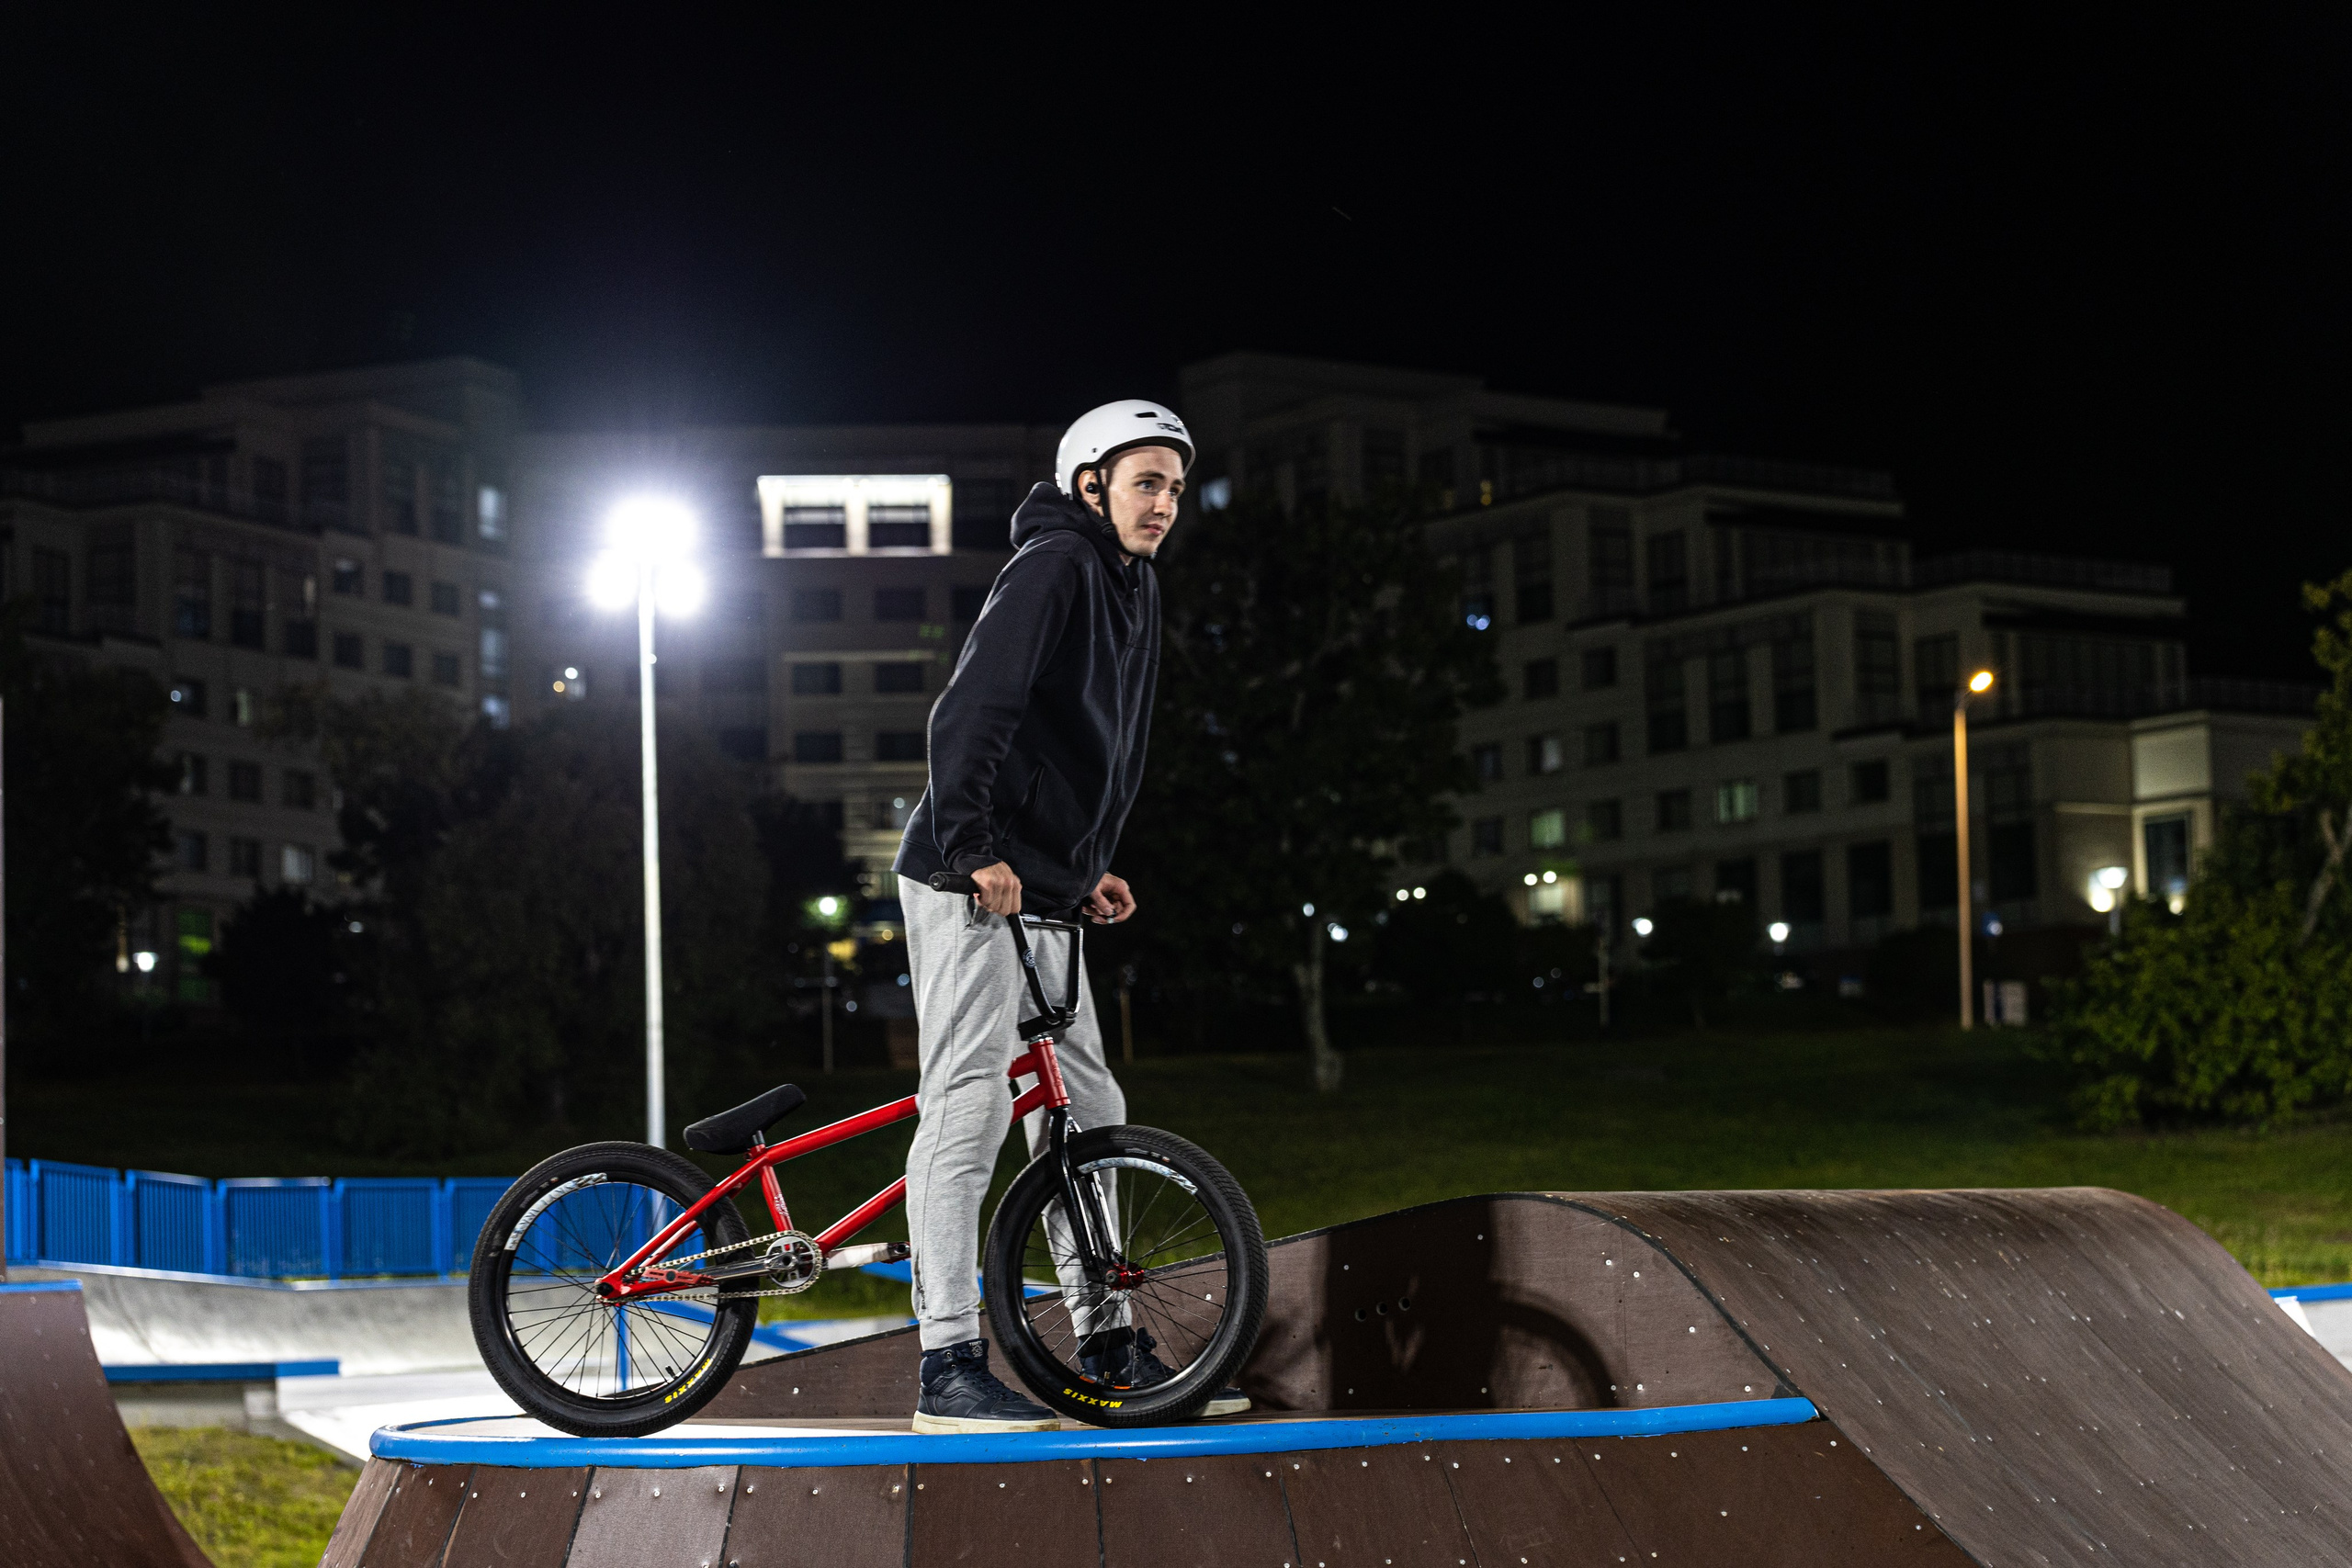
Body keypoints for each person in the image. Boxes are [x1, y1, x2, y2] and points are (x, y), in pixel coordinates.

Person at [891, 399, 1246, 1432]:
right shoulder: (1054, 565)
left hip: (1045, 882)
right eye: (1146, 483)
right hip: (970, 876)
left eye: (1175, 488)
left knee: (1089, 1112)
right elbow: (971, 712)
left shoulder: (1136, 585)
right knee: (970, 1105)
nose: (1165, 505)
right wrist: (973, 847)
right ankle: (947, 1364)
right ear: (1089, 484)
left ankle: (1105, 1340)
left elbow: (1095, 748)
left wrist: (1083, 867)